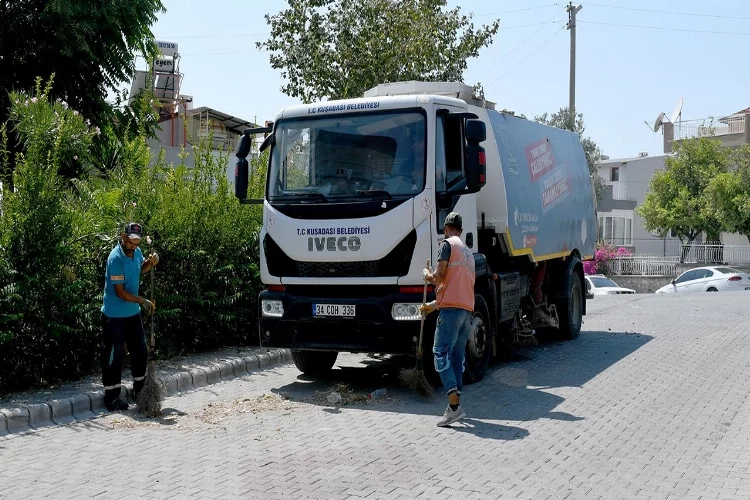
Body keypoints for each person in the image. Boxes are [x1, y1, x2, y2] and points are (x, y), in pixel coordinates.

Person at [421, 212, 476, 427]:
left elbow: (439, 276)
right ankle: (456, 406)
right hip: (465, 313)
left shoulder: (447, 245)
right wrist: (432, 306)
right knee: (456, 358)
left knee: (440, 354)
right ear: (460, 229)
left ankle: (454, 407)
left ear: (446, 228)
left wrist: (427, 274)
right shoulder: (468, 254)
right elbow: (457, 290)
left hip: (451, 312)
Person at [100, 222, 159, 411]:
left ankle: (140, 390)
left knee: (140, 350)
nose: (134, 245)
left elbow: (140, 269)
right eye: (132, 241)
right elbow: (121, 293)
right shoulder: (115, 259)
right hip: (114, 316)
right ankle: (111, 397)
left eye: (137, 242)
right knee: (114, 355)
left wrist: (151, 262)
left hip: (132, 314)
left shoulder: (137, 252)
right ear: (123, 237)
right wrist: (143, 301)